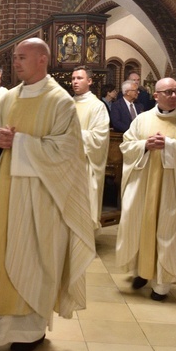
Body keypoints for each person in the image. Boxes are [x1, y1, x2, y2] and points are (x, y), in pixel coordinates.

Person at [0, 38, 95, 351]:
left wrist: (19, 144)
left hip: (40, 198)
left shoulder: (60, 102)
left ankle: (29, 332)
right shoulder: (10, 99)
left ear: (42, 60)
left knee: (35, 263)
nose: (16, 62)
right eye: (15, 57)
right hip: (2, 190)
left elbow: (67, 153)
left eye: (22, 57)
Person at [116, 78, 176, 301]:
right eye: (168, 92)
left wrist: (171, 144)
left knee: (169, 232)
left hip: (173, 188)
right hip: (144, 186)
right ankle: (142, 271)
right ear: (156, 96)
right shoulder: (143, 119)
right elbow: (126, 146)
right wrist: (144, 146)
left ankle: (162, 284)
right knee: (140, 227)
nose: (174, 95)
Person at [71, 66, 110, 230]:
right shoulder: (67, 104)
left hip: (85, 164)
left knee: (83, 204)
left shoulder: (97, 106)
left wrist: (71, 134)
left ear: (90, 81)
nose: (74, 82)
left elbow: (99, 137)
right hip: (65, 163)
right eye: (73, 78)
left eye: (79, 78)